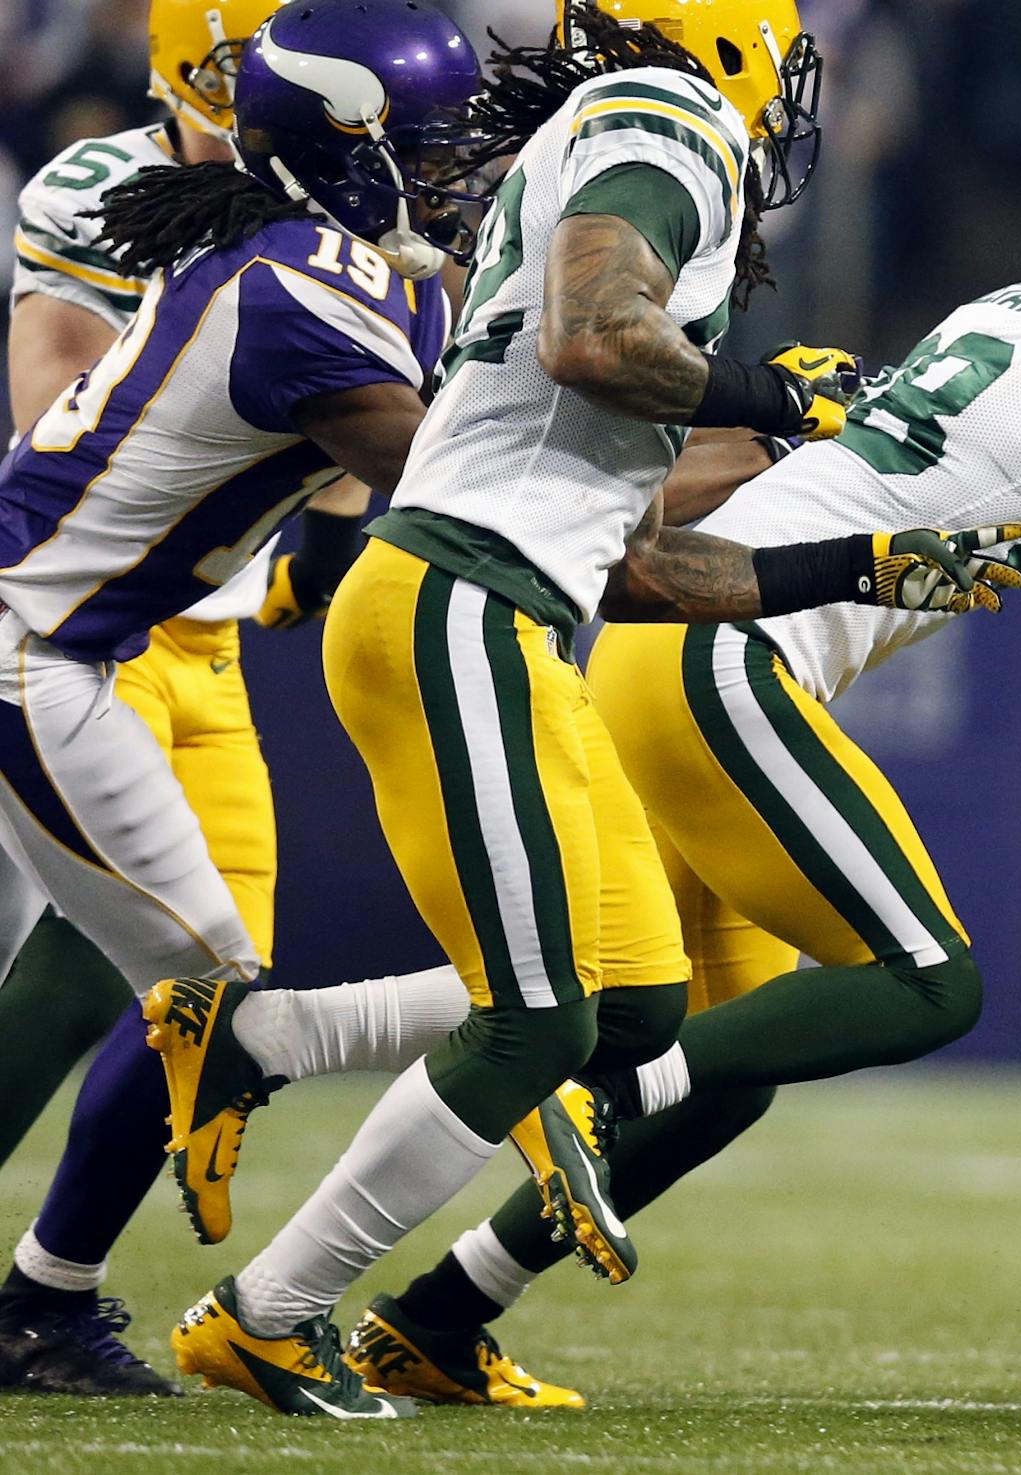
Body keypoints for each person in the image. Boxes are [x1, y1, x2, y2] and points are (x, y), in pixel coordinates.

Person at [324, 161, 1021, 1403]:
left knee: (728, 1073)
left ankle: (437, 1317)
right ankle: (593, 1100)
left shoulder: (1019, 325)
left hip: (661, 645)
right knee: (926, 982)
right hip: (726, 653)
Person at [160, 0, 1016, 1418]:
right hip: (457, 602)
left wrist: (864, 560)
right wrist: (768, 389)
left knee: (631, 1003)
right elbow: (592, 339)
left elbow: (642, 563)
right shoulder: (666, 128)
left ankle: (263, 1036)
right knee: (537, 1025)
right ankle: (269, 1311)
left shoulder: (609, 158)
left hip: (492, 596)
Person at [0, 0, 383, 1397]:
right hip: (81, 627)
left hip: (209, 641)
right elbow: (48, 383)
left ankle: (46, 1296)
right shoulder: (109, 190)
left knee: (207, 1011)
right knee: (66, 981)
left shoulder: (343, 215)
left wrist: (325, 520)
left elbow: (349, 427)